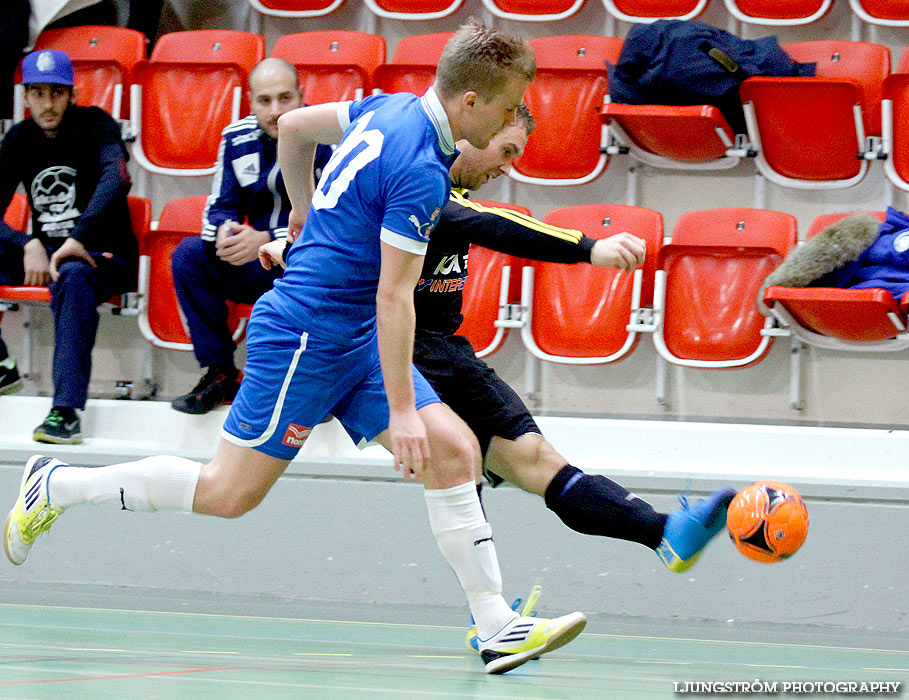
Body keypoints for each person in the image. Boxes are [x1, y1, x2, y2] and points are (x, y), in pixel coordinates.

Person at [4, 21, 584, 676]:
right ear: (471, 102)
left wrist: (301, 214)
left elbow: (296, 127)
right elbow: (395, 299)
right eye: (509, 108)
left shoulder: (391, 107)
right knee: (228, 493)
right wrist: (400, 411)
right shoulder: (421, 170)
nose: (515, 122)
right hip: (306, 332)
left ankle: (495, 626)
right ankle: (57, 485)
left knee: (453, 451)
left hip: (350, 333)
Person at [260, 106, 736, 607]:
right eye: (505, 149)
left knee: (532, 459)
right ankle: (493, 618)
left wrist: (289, 246)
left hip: (449, 352)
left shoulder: (435, 193)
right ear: (473, 130)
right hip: (404, 353)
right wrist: (589, 247)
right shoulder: (420, 181)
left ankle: (662, 534)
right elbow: (490, 224)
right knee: (460, 466)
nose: (505, 167)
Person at [169, 58, 331, 415]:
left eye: (285, 98)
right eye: (264, 101)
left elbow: (335, 216)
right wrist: (228, 233)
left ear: (302, 96)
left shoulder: (327, 137)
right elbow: (218, 208)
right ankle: (220, 374)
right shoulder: (236, 137)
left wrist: (267, 238)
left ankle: (317, 384)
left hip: (307, 261)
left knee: (328, 260)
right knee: (190, 254)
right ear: (250, 101)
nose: (275, 111)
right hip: (256, 263)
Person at [0, 48, 137, 444]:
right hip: (46, 255)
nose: (47, 103)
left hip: (102, 254)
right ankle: (2, 364)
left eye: (56, 93)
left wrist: (78, 237)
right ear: (25, 97)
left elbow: (119, 177)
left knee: (75, 275)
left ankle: (65, 411)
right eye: (38, 93)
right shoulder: (20, 138)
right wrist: (26, 243)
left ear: (71, 95)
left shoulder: (96, 124)